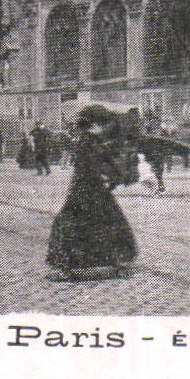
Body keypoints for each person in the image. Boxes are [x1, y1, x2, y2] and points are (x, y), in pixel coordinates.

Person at [46, 106, 137, 280]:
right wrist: (111, 176)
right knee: (106, 224)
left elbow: (101, 161)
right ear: (95, 124)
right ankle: (117, 262)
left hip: (84, 190)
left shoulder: (88, 140)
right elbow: (94, 166)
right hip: (89, 190)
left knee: (84, 225)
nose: (104, 128)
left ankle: (68, 266)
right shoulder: (89, 142)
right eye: (103, 124)